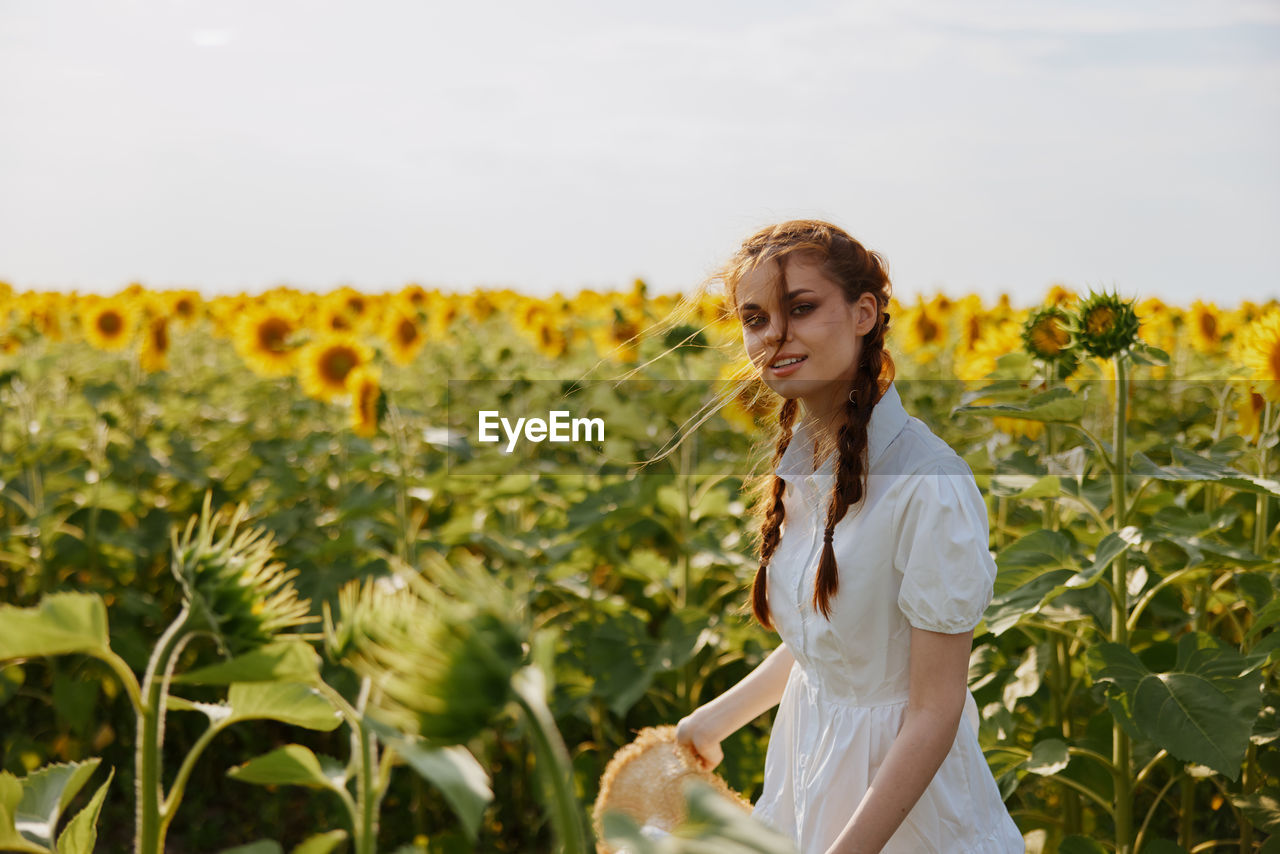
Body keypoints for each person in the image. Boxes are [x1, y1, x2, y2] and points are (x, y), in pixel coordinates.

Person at [674, 220, 1024, 854]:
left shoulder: (928, 481)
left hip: (902, 810)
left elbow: (933, 710)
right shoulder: (806, 464)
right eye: (755, 318)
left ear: (865, 314)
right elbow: (834, 645)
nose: (774, 336)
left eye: (801, 308)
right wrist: (713, 721)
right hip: (810, 772)